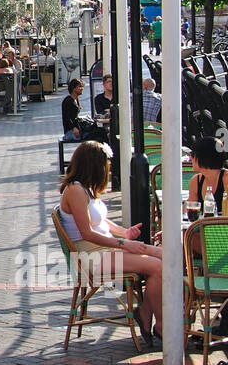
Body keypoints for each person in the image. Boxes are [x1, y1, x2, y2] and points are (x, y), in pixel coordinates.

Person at [59, 141, 164, 343]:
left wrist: (124, 232)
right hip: (91, 256)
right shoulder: (75, 191)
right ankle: (159, 323)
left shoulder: (85, 188)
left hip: (103, 249)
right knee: (159, 267)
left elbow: (99, 220)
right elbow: (87, 233)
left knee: (165, 256)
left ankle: (146, 312)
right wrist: (124, 244)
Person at [62, 78, 106, 142]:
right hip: (71, 132)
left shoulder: (75, 99)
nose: (82, 88)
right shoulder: (69, 101)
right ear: (73, 88)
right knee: (99, 134)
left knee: (100, 130)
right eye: (79, 87)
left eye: (82, 87)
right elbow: (67, 117)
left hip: (78, 129)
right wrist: (74, 128)